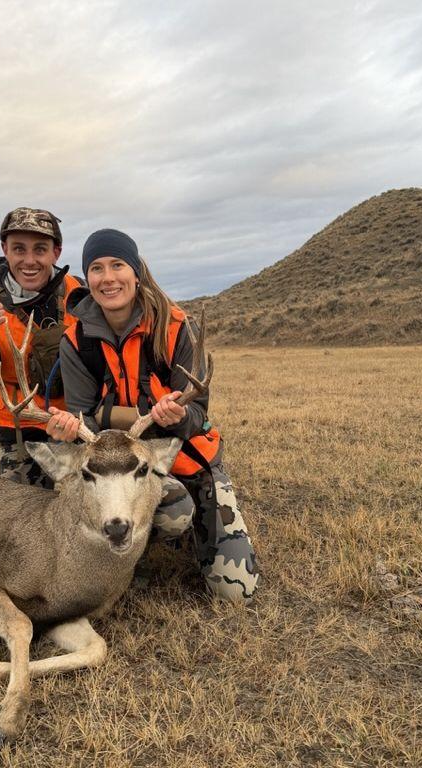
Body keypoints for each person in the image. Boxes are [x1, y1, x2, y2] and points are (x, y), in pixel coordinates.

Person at [46, 228, 260, 603]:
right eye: (96, 268)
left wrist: (175, 416)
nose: (108, 278)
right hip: (124, 466)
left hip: (190, 460)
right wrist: (72, 429)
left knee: (235, 591)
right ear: (87, 278)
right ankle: (136, 552)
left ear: (136, 271)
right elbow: (86, 423)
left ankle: (203, 528)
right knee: (173, 511)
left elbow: (197, 415)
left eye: (117, 265)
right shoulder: (76, 341)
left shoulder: (176, 328)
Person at [0, 207, 83, 486]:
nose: (29, 260)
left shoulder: (81, 295)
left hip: (79, 427)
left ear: (56, 252)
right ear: (5, 250)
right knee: (20, 523)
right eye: (19, 249)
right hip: (21, 435)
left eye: (40, 249)